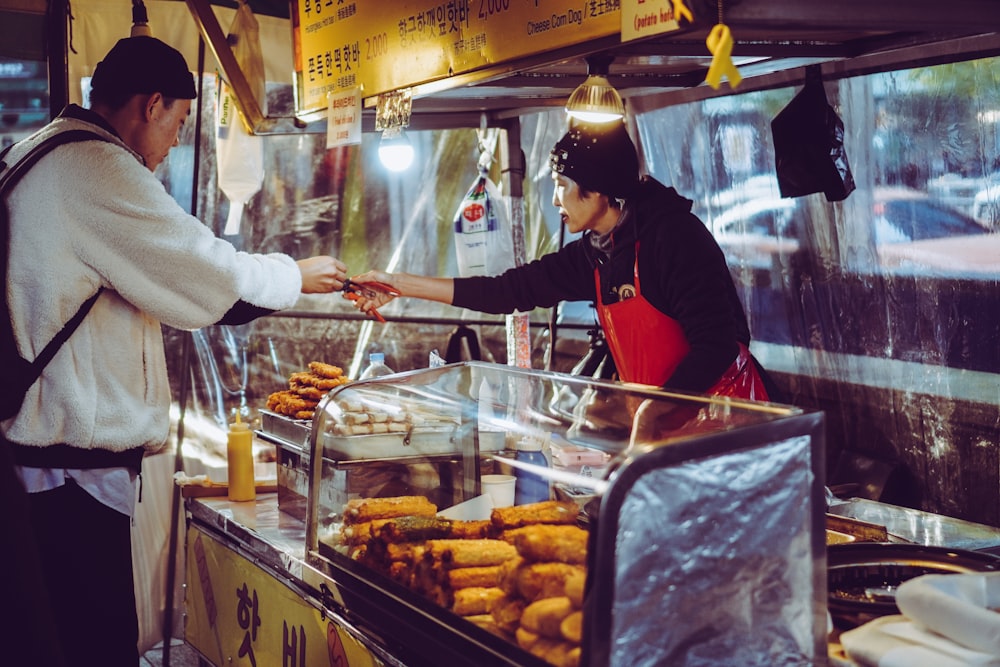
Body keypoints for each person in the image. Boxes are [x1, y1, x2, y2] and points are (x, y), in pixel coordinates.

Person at [1, 36, 348, 666]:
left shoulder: (36, 150)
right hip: (66, 475)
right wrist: (299, 277)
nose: (172, 146)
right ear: (152, 104)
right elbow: (208, 280)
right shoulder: (98, 169)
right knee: (89, 645)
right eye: (179, 124)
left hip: (34, 465)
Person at [347, 120, 775, 400]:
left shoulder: (674, 238)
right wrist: (399, 284)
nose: (555, 201)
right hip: (669, 429)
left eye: (562, 185)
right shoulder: (597, 251)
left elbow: (716, 344)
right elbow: (505, 292)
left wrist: (654, 412)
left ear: (599, 188)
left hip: (730, 421)